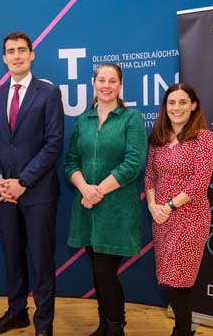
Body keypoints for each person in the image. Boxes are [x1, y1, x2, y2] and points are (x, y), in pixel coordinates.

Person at [0, 31, 64, 336]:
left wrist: (24, 182)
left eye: (21, 50)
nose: (16, 56)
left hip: (38, 194)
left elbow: (54, 144)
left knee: (41, 262)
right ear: (4, 58)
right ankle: (17, 313)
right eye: (10, 51)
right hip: (4, 193)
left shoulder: (48, 93)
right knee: (13, 258)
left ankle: (44, 325)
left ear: (32, 55)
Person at [64, 63, 147, 336]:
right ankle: (104, 325)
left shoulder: (131, 118)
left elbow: (133, 163)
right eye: (102, 80)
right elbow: (71, 162)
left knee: (106, 273)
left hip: (116, 209)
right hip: (87, 210)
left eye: (112, 81)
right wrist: (84, 188)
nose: (107, 85)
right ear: (94, 83)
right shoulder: (83, 121)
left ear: (120, 85)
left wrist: (97, 191)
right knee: (99, 274)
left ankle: (115, 327)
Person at [144, 83, 213, 336]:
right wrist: (153, 206)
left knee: (178, 279)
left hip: (190, 217)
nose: (177, 108)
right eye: (172, 102)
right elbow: (150, 175)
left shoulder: (203, 138)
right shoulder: (159, 137)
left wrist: (169, 205)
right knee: (169, 278)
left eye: (183, 102)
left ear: (193, 105)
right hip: (160, 218)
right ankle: (183, 329)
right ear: (166, 107)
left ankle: (183, 332)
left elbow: (200, 183)